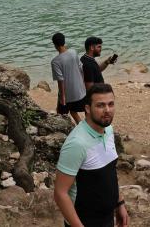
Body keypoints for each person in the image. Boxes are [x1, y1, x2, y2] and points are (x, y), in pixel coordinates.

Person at [54, 83, 129, 227]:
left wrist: (120, 203)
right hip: (84, 221)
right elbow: (60, 193)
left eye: (111, 104)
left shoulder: (108, 130)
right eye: (100, 105)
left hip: (107, 218)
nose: (107, 110)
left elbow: (110, 172)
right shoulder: (77, 143)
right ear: (87, 109)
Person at [51, 32, 87, 126]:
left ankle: (63, 132)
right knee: (73, 111)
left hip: (68, 96)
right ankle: (82, 128)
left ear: (54, 45)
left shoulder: (55, 62)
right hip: (80, 93)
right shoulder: (73, 52)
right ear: (64, 42)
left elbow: (60, 80)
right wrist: (82, 84)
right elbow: (81, 69)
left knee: (60, 115)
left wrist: (62, 98)